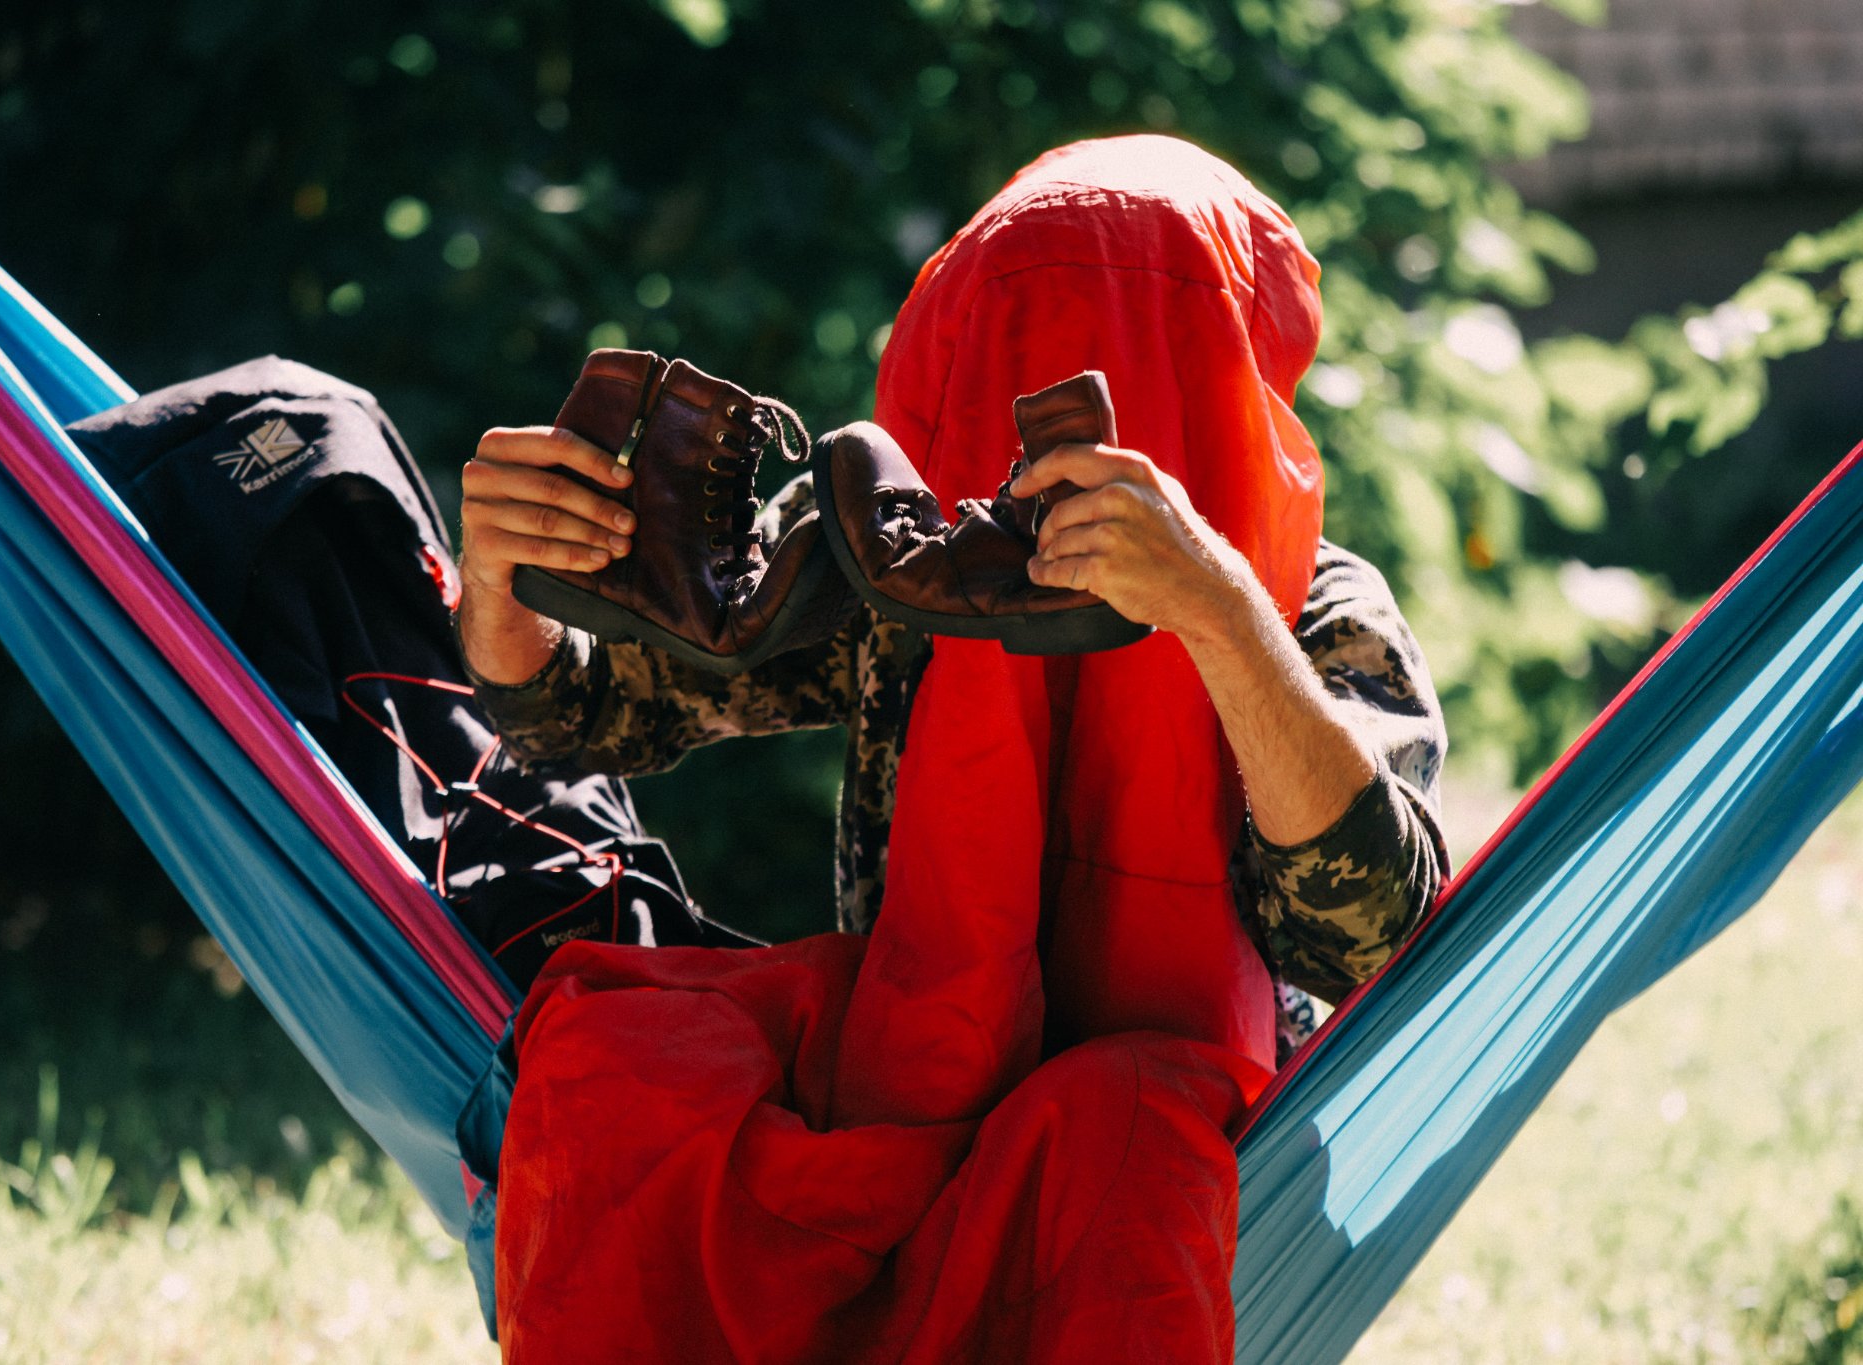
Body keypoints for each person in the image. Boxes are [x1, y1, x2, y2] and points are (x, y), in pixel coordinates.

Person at [455, 135, 1450, 1361]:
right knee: (613, 1075)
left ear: (1210, 392)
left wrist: (1215, 615)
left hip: (1200, 1161)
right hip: (910, 1098)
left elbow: (1377, 938)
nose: (1033, 453)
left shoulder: (1307, 606)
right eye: (998, 369)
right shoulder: (895, 556)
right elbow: (588, 716)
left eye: (1115, 379)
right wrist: (505, 583)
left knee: (1114, 1128)